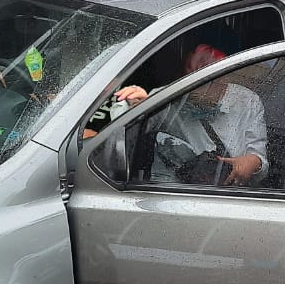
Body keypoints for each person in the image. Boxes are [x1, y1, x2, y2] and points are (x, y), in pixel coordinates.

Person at [114, 44, 267, 186]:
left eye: (211, 79)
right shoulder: (170, 97)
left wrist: (253, 163)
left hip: (226, 191)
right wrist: (136, 105)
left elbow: (259, 158)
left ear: (224, 75)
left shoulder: (247, 100)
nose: (202, 90)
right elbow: (123, 127)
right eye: (196, 77)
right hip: (171, 188)